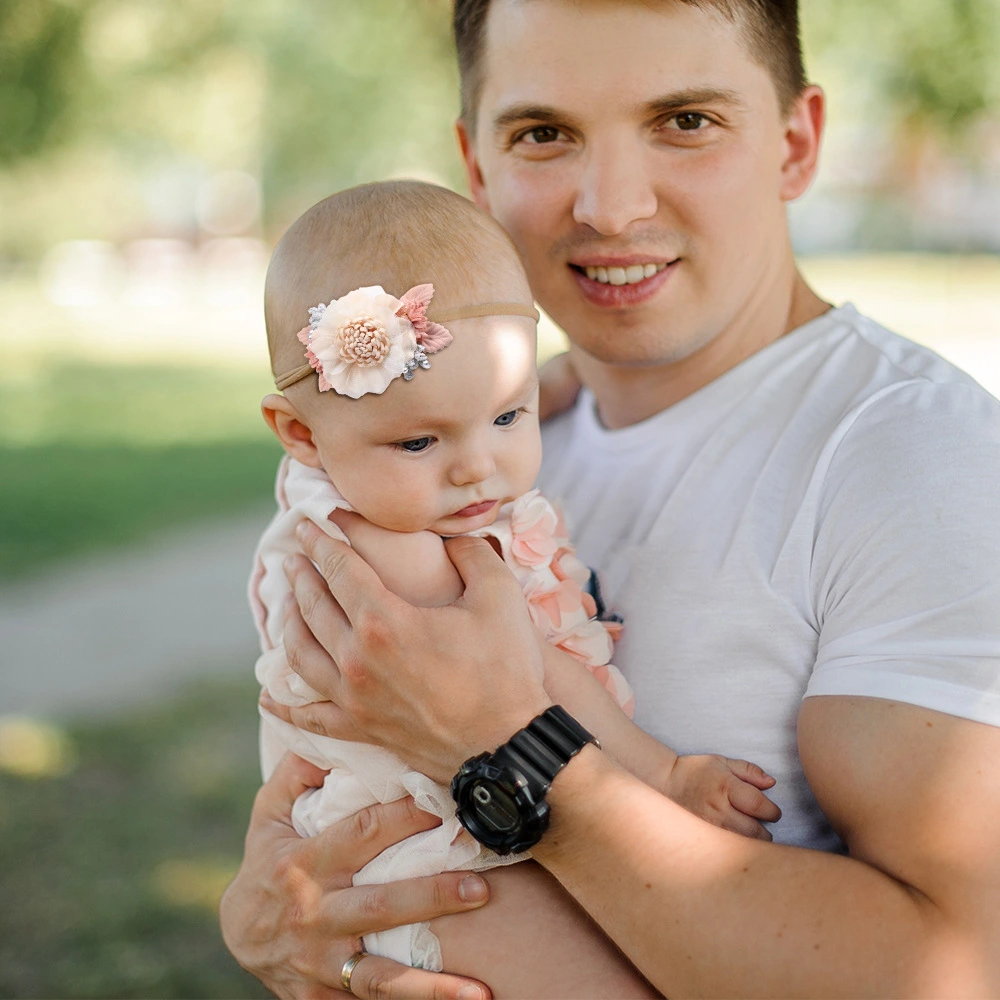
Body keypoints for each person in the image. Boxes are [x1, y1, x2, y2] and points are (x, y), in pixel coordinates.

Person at [220, 1, 1000, 997]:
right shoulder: (487, 443)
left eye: (685, 121)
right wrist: (271, 921)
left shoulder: (915, 464)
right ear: (476, 168)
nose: (611, 205)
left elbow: (952, 971)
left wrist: (514, 750)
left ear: (795, 144)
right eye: (544, 134)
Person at [248, 179, 779, 986]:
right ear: (299, 434)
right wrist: (662, 773)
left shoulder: (367, 476)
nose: (476, 467)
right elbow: (532, 687)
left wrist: (548, 386)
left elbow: (491, 385)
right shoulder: (393, 556)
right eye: (420, 442)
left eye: (507, 416)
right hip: (432, 868)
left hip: (478, 831)